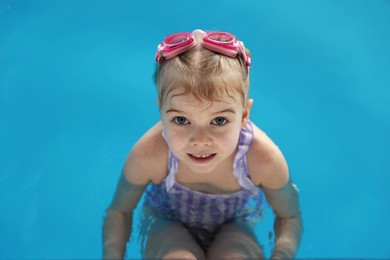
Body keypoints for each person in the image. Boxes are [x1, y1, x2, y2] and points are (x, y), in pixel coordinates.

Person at [102, 29, 303, 259]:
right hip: (168, 221)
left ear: (244, 116)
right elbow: (119, 211)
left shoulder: (261, 158)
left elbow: (289, 217)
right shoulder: (151, 153)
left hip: (235, 224)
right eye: (181, 120)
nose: (199, 140)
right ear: (161, 112)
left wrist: (281, 254)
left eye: (219, 120)